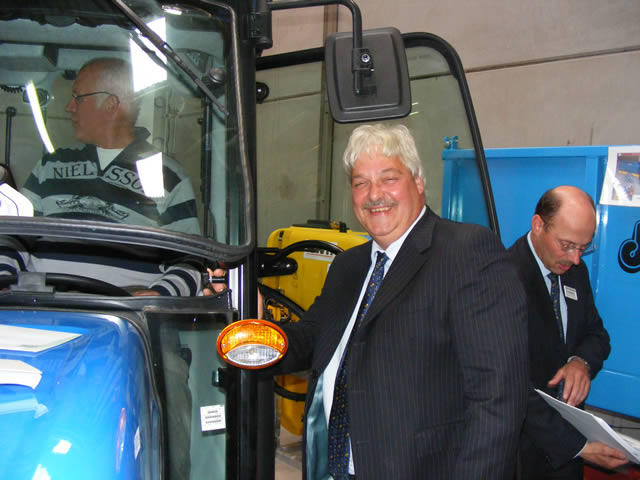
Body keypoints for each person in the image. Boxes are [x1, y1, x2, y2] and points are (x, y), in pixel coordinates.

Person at [263, 124, 530, 479]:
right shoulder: (348, 265)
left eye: (389, 178)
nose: (374, 195)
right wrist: (253, 329)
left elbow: (498, 398)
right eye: (361, 183)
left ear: (418, 182)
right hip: (335, 469)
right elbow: (311, 338)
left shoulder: (465, 253)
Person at [0, 57, 204, 296]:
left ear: (110, 104)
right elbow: (12, 236)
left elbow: (191, 259)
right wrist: (4, 280)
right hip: (42, 307)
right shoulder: (50, 165)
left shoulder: (168, 176)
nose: (69, 107)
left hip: (123, 311)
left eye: (77, 97)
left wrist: (160, 295)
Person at [509, 185, 627, 479]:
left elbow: (596, 335)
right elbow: (508, 382)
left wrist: (580, 362)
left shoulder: (576, 272)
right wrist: (578, 446)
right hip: (520, 454)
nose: (575, 258)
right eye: (567, 245)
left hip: (568, 452)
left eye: (583, 247)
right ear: (538, 225)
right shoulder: (503, 277)